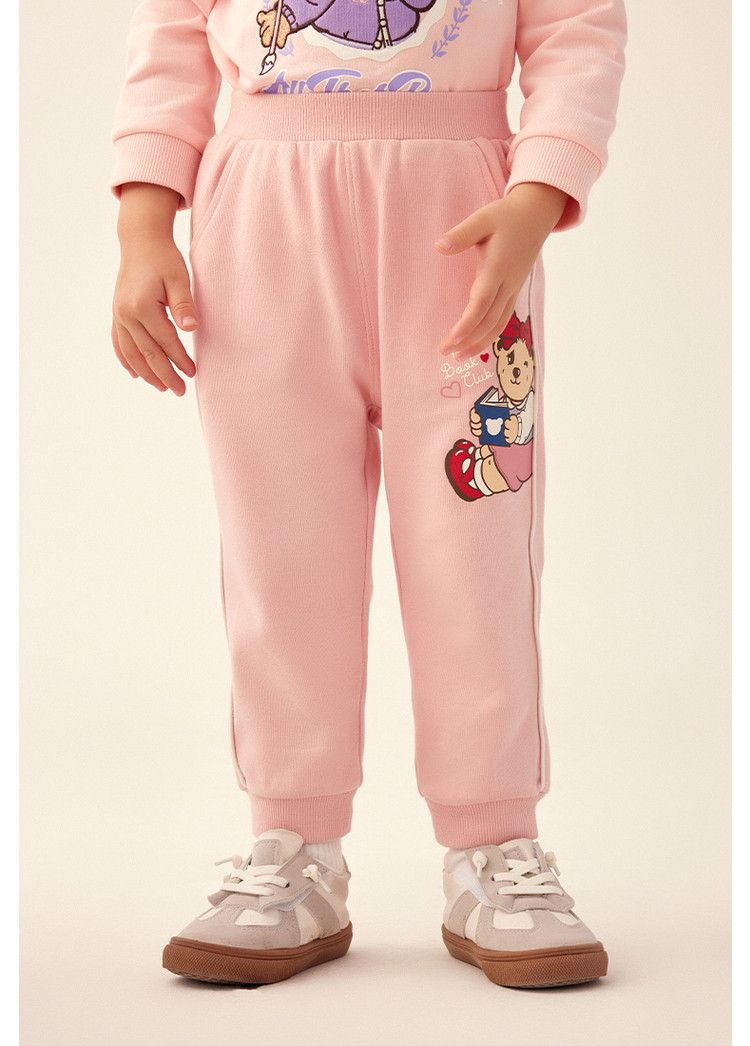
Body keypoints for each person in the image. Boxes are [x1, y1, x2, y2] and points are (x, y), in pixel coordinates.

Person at [110, 0, 627, 989]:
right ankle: (293, 844)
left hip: (464, 223)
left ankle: (493, 845)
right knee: (280, 555)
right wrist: (143, 224)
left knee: (475, 558)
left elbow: (578, 25)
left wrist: (540, 189)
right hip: (261, 219)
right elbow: (170, 31)